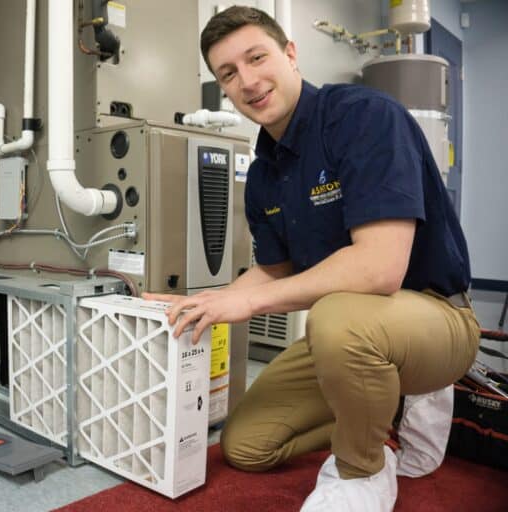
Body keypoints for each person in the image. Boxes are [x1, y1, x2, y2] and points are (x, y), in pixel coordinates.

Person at [143, 6, 480, 511]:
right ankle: (377, 401)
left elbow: (379, 269)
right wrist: (206, 302)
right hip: (350, 329)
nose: (248, 81)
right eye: (228, 74)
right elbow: (274, 271)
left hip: (435, 316)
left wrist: (249, 306)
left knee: (336, 317)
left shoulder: (364, 117)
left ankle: (363, 469)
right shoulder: (262, 174)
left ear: (291, 54)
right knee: (248, 445)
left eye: (257, 58)